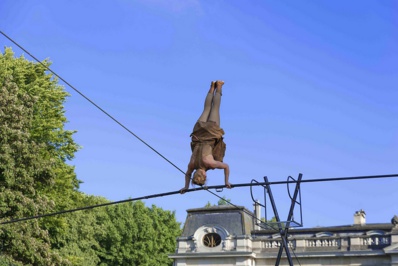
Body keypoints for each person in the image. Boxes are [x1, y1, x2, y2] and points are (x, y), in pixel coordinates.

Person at [180, 80, 232, 194]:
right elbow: (188, 174)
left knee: (215, 108)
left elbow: (226, 167)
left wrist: (226, 182)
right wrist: (186, 187)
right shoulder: (191, 165)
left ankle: (218, 86)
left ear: (204, 175)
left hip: (211, 132)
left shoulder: (210, 163)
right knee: (206, 109)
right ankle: (212, 87)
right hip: (198, 132)